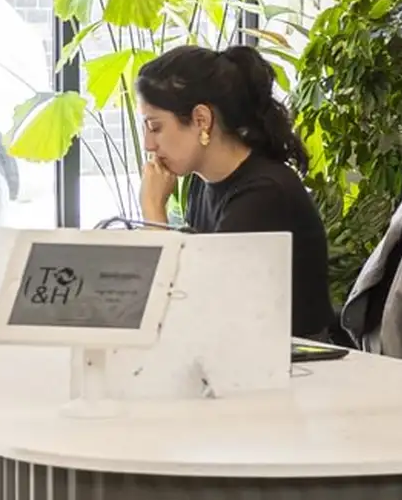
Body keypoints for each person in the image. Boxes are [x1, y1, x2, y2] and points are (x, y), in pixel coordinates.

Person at [132, 43, 352, 349]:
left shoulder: (264, 194)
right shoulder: (202, 184)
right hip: (239, 359)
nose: (148, 145)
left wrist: (153, 209)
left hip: (294, 369)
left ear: (201, 120)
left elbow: (193, 305)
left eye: (154, 127)